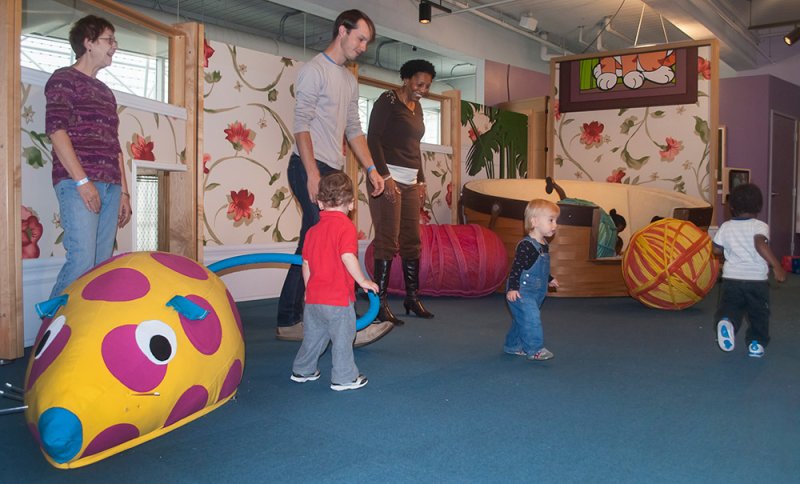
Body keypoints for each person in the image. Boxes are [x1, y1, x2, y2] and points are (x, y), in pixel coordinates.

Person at [276, 9, 392, 347]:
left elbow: (354, 129)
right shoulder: (314, 71)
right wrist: (312, 174)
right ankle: (337, 322)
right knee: (323, 242)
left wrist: (372, 169)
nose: (363, 47)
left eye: (367, 42)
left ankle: (292, 319)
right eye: (360, 38)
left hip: (332, 169)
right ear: (342, 30)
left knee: (314, 243)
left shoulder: (349, 80)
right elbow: (301, 125)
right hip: (307, 166)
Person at [45, 15, 132, 298]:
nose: (114, 46)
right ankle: (52, 323)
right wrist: (83, 182)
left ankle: (86, 324)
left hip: (111, 186)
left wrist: (124, 193)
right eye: (109, 40)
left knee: (100, 266)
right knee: (82, 261)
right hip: (77, 183)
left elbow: (114, 145)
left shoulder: (106, 92)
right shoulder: (63, 79)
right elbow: (56, 131)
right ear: (88, 42)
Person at [290, 172, 378, 391]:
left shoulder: (312, 232)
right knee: (343, 340)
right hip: (338, 300)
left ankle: (303, 370)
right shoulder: (346, 227)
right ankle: (344, 378)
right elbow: (347, 256)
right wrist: (363, 280)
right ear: (352, 204)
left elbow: (306, 264)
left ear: (320, 203)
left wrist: (308, 290)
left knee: (313, 338)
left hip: (314, 300)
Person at [367, 59, 437, 326]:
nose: (423, 90)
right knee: (387, 239)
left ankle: (412, 297)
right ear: (406, 79)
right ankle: (380, 304)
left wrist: (421, 180)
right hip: (388, 178)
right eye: (419, 84)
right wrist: (385, 176)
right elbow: (373, 139)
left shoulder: (417, 108)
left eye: (427, 86)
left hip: (410, 181)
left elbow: (414, 146)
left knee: (412, 240)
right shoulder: (387, 100)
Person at [714, 183, 786, 358]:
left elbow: (716, 249)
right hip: (756, 281)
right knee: (758, 313)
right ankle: (756, 343)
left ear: (731, 207)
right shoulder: (760, 226)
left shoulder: (726, 226)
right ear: (759, 206)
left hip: (731, 279)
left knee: (731, 307)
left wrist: (727, 249)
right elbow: (760, 243)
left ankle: (728, 323)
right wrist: (777, 266)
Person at [504, 199, 560, 361]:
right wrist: (513, 288)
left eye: (555, 220)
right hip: (522, 291)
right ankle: (535, 349)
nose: (555, 225)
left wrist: (549, 278)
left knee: (521, 319)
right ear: (534, 222)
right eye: (551, 220)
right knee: (531, 318)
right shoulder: (526, 246)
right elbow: (517, 268)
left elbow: (539, 268)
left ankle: (512, 345)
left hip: (537, 292)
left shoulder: (544, 244)